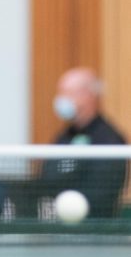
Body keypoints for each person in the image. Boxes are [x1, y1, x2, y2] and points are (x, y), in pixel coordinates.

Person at [39, 67, 127, 218]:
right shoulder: (64, 136)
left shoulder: (109, 139)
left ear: (88, 95)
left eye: (67, 93)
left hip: (95, 225)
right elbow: (47, 176)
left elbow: (103, 191)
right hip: (58, 222)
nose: (61, 99)